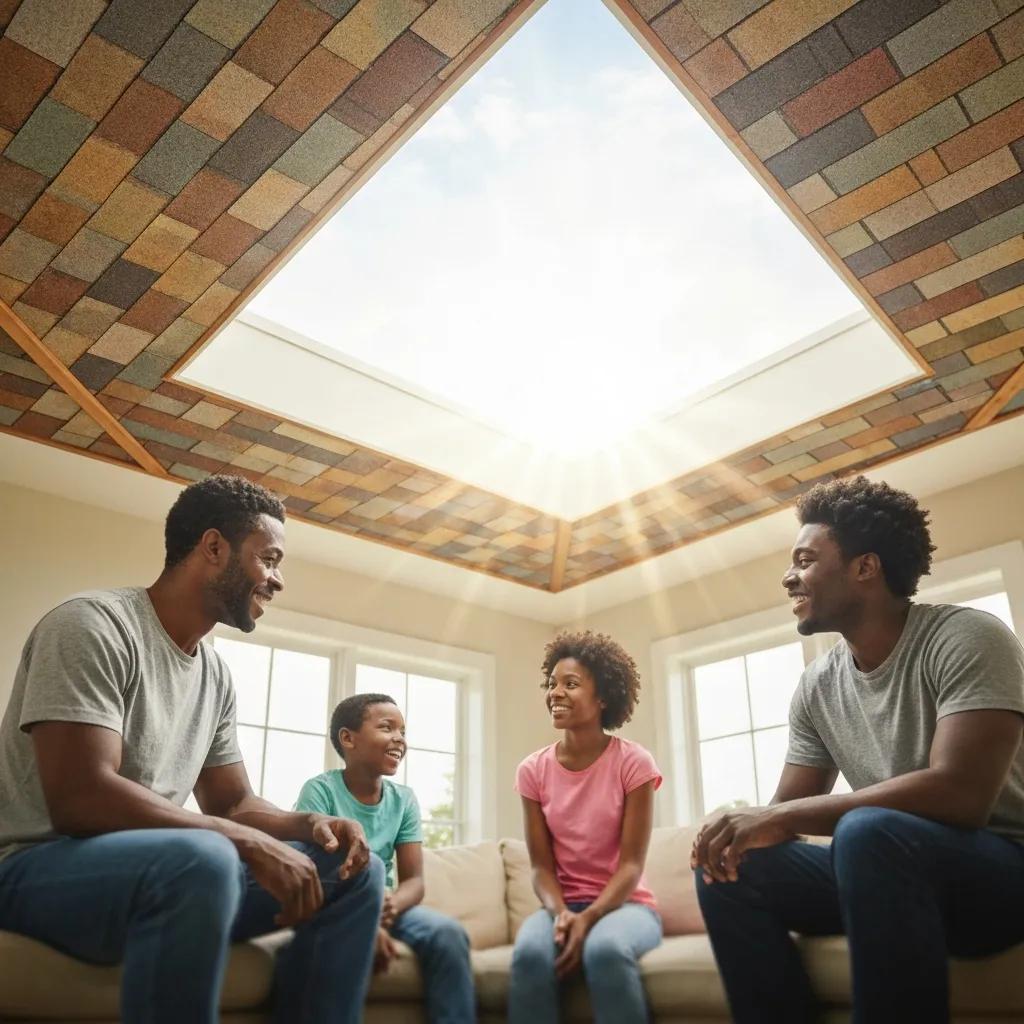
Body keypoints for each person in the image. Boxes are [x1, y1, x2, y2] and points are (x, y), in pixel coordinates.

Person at [0, 474, 385, 1024]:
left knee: (354, 869)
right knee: (203, 859)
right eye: (269, 558)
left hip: (165, 872)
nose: (277, 581)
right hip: (33, 870)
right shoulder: (92, 626)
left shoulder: (216, 677)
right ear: (213, 547)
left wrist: (310, 822)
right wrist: (242, 842)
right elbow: (81, 798)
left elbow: (232, 803)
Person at [692, 476, 1024, 1024]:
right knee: (731, 866)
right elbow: (784, 816)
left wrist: (780, 815)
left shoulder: (968, 638)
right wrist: (742, 830)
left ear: (864, 568)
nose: (788, 576)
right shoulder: (818, 686)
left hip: (999, 875)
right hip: (889, 869)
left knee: (869, 829)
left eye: (804, 559)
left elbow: (961, 794)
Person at [509, 630, 662, 1023]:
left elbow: (630, 866)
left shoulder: (634, 763)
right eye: (551, 683)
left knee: (605, 951)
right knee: (528, 955)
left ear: (603, 698)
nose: (555, 692)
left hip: (626, 907)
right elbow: (541, 867)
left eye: (570, 684)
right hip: (559, 906)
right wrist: (561, 915)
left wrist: (590, 918)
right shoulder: (532, 771)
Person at [295, 692, 475, 1022]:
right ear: (348, 738)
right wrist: (363, 920)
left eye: (403, 731)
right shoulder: (319, 791)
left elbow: (415, 882)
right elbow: (312, 873)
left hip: (389, 910)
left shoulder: (404, 800)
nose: (399, 739)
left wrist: (383, 911)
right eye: (387, 727)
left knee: (448, 934)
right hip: (335, 906)